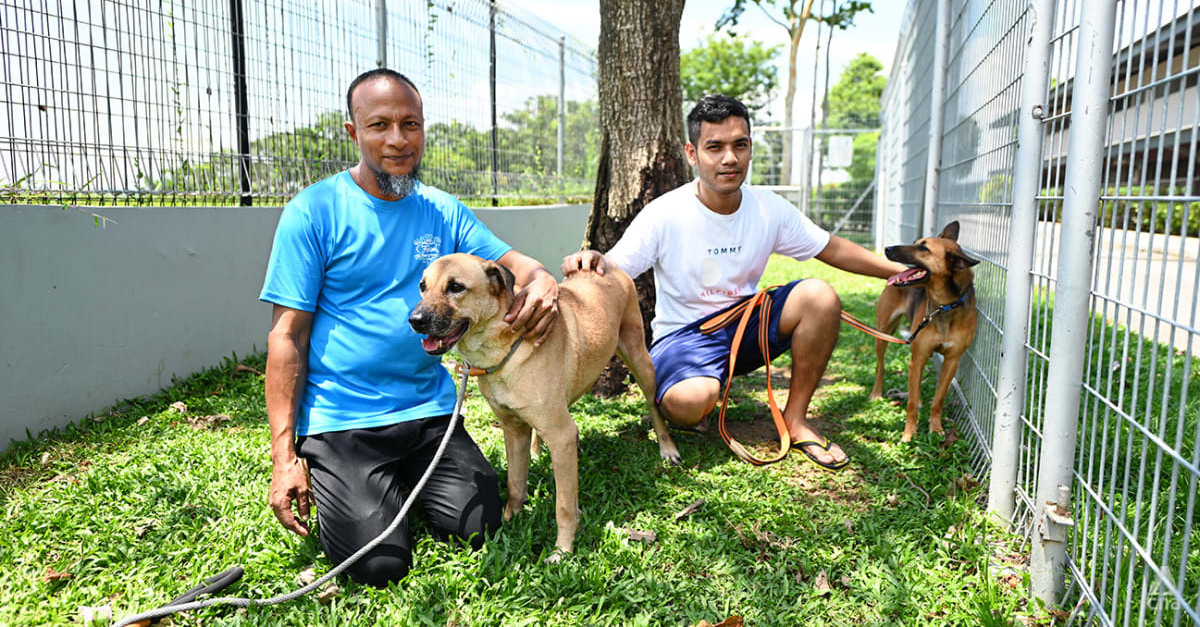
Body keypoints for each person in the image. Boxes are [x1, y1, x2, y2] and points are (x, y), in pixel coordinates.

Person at [259, 68, 559, 587]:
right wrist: (284, 457)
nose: (397, 140)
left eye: (410, 124)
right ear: (353, 133)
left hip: (428, 412)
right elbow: (287, 337)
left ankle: (401, 484)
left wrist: (545, 282)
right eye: (379, 125)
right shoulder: (313, 212)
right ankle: (367, 488)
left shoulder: (442, 210)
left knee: (480, 525)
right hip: (343, 421)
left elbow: (518, 265)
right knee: (378, 566)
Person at [561, 94, 906, 470]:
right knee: (690, 405)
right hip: (684, 337)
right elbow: (614, 267)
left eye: (739, 145)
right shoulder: (664, 213)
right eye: (716, 147)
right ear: (692, 154)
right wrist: (591, 261)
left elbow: (830, 248)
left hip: (745, 327)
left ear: (750, 149)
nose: (730, 158)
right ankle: (697, 393)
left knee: (818, 296)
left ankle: (795, 419)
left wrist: (898, 271)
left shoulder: (768, 207)